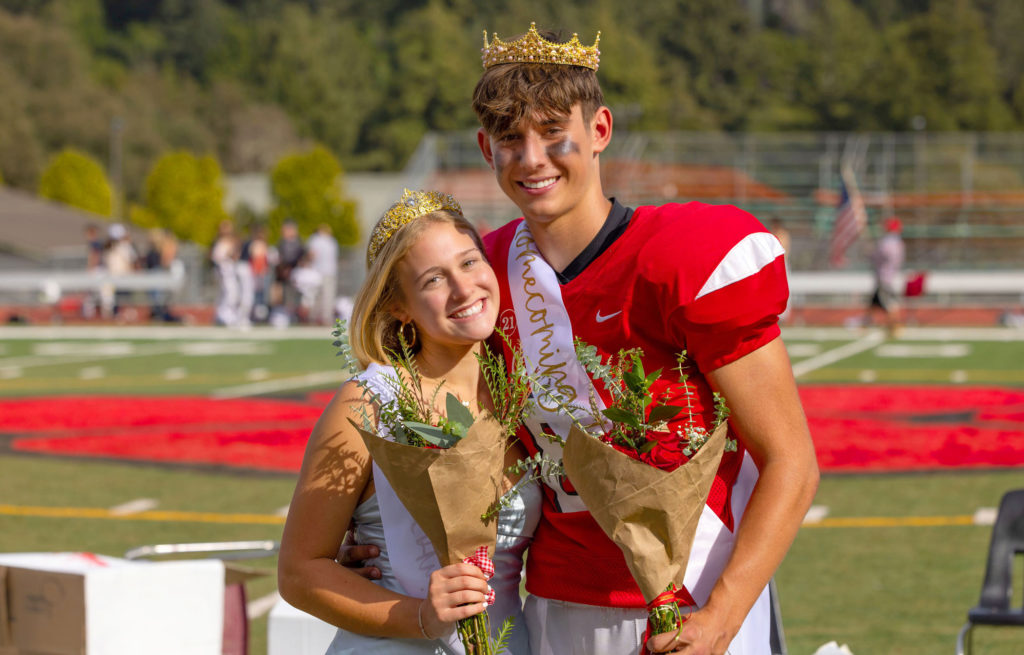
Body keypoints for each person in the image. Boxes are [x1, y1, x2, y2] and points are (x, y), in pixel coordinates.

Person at [470, 24, 818, 655]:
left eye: (553, 132)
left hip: (698, 598)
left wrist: (723, 616)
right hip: (557, 601)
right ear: (485, 148)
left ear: (599, 130)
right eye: (510, 138)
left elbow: (792, 463)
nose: (532, 158)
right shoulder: (485, 273)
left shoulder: (681, 256)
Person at [277, 189, 540, 655]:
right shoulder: (367, 403)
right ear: (399, 307)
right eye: (434, 279)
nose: (464, 289)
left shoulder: (521, 397)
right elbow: (299, 572)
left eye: (470, 262)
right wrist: (421, 616)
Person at [866, 215, 905, 336]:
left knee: (889, 304)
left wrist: (871, 253)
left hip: (885, 277)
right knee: (875, 302)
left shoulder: (888, 242)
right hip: (888, 276)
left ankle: (894, 326)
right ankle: (866, 322)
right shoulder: (898, 242)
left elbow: (878, 257)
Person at [307, 223, 340, 325]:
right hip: (327, 272)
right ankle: (324, 318)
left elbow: (311, 255)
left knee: (318, 296)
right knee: (326, 296)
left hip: (318, 272)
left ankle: (315, 317)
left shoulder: (316, 240)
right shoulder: (331, 241)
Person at [210, 219, 240, 327]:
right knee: (227, 294)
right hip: (223, 272)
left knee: (232, 294)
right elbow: (216, 258)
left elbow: (235, 257)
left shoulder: (232, 242)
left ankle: (226, 315)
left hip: (230, 272)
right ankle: (224, 316)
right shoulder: (219, 243)